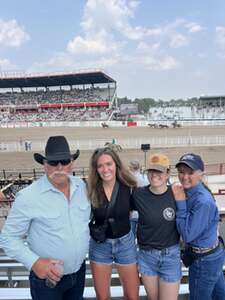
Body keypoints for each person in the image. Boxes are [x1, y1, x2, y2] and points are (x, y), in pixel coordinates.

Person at [0, 136, 90, 300]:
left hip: (78, 272)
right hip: (46, 280)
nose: (60, 167)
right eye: (53, 162)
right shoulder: (28, 196)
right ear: (44, 164)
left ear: (72, 162)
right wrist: (35, 262)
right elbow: (8, 238)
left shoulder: (82, 187)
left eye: (64, 161)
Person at [88, 147, 140, 300]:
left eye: (108, 164)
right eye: (100, 166)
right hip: (100, 246)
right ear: (95, 169)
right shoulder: (90, 189)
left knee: (132, 296)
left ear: (116, 164)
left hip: (125, 243)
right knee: (102, 297)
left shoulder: (130, 186)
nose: (105, 169)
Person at [172, 153, 225, 300]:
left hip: (204, 259)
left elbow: (188, 235)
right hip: (212, 254)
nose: (185, 177)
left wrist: (180, 204)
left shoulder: (203, 201)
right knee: (219, 295)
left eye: (190, 172)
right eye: (181, 172)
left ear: (201, 174)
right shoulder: (192, 191)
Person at [132, 153, 181, 300]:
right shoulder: (138, 195)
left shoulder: (177, 193)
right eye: (151, 171)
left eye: (159, 171)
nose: (154, 175)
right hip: (147, 256)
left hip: (170, 256)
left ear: (167, 174)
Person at [129, 160, 149, 235]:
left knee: (131, 235)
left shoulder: (129, 179)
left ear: (131, 168)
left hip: (132, 211)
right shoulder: (146, 178)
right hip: (143, 210)